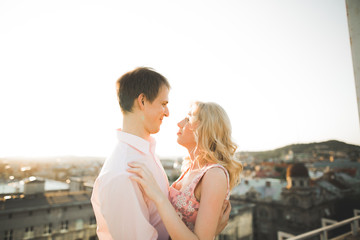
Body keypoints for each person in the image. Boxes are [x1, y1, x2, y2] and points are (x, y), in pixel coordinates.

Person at [91, 68, 230, 240]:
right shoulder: (122, 173)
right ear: (142, 101)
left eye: (188, 119)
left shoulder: (146, 155)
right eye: (163, 104)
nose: (168, 113)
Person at [128, 101, 243, 240]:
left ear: (205, 128)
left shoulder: (214, 175)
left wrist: (158, 196)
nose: (179, 123)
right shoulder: (188, 168)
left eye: (188, 119)